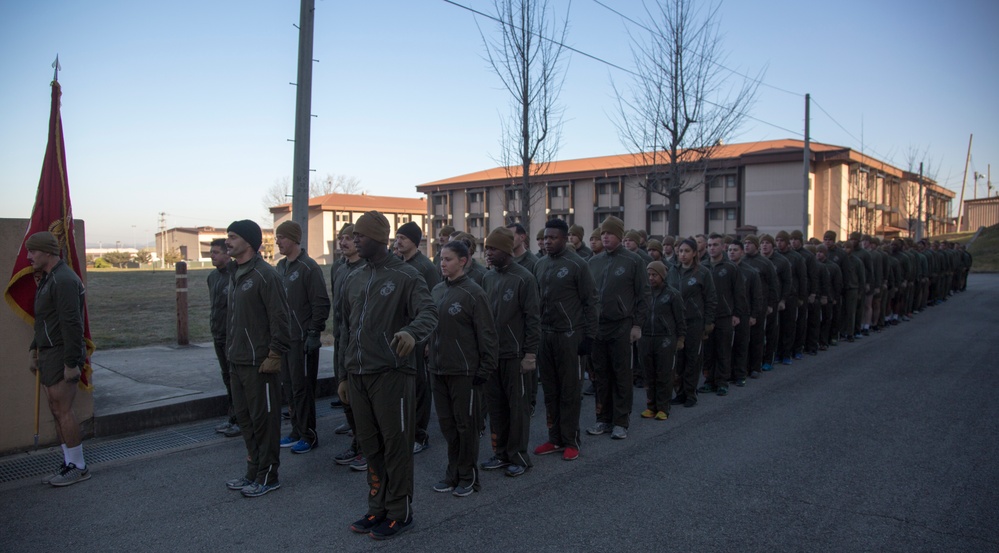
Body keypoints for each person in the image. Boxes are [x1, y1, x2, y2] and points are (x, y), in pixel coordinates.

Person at [341, 211, 437, 540]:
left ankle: (400, 511)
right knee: (371, 446)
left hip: (392, 374)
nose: (355, 241)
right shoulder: (353, 277)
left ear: (378, 239)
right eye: (354, 236)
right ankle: (376, 506)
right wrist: (344, 374)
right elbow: (347, 328)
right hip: (358, 373)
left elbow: (429, 311)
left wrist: (413, 332)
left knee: (395, 445)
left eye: (360, 236)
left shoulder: (407, 275)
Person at [223, 220, 290, 498]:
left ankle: (268, 475)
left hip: (259, 363)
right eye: (228, 236)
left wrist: (275, 354)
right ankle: (253, 470)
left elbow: (280, 319)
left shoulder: (265, 275)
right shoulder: (235, 272)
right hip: (237, 360)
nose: (228, 241)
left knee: (265, 422)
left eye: (233, 236)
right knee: (246, 421)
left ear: (249, 242)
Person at [428, 240, 498, 497]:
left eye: (448, 259)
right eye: (441, 259)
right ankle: (452, 473)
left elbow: (487, 334)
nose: (442, 264)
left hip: (465, 371)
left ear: (463, 261)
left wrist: (485, 368)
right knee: (447, 425)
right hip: (438, 369)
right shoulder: (436, 290)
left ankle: (469, 476)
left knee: (465, 425)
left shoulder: (474, 293)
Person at [27, 232, 90, 487]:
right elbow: (44, 320)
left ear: (48, 252)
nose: (29, 257)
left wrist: (72, 362)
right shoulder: (48, 278)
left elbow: (72, 324)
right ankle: (69, 461)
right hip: (49, 353)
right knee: (55, 408)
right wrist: (35, 349)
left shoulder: (62, 279)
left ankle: (79, 466)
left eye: (33, 251)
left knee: (63, 410)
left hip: (63, 353)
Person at [532, 218, 597, 461]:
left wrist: (589, 336)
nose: (548, 242)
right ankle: (555, 437)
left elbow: (591, 301)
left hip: (570, 335)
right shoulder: (539, 265)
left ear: (565, 238)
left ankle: (571, 440)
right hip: (545, 335)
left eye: (553, 238)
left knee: (570, 390)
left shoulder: (577, 265)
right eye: (545, 238)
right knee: (550, 390)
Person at [480, 227, 541, 478]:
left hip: (516, 356)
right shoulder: (488, 278)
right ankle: (500, 452)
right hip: (494, 355)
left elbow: (533, 319)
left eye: (493, 249)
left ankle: (519, 456)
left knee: (518, 409)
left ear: (505, 250)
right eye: (487, 249)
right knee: (497, 407)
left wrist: (530, 354)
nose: (489, 253)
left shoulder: (524, 278)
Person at [586, 216, 650, 440]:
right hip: (598, 327)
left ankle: (621, 421)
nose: (605, 236)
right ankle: (603, 418)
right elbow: (588, 296)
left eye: (610, 233)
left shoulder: (634, 261)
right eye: (603, 233)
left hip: (622, 325)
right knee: (601, 375)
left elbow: (644, 295)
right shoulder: (593, 262)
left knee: (621, 374)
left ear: (620, 236)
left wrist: (637, 325)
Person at [274, 220, 330, 455]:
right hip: (286, 339)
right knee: (289, 386)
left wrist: (313, 333)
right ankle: (296, 430)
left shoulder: (309, 268)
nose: (278, 242)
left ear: (294, 239)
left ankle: (309, 434)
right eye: (277, 237)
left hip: (303, 340)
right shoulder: (280, 267)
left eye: (282, 237)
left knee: (302, 388)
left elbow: (321, 303)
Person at [395, 221, 440, 455]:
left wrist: (429, 339)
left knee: (421, 386)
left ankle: (420, 434)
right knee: (405, 386)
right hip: (402, 333)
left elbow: (434, 305)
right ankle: (406, 429)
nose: (398, 241)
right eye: (397, 237)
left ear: (415, 241)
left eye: (403, 237)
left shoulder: (426, 267)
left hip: (420, 334)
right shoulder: (398, 264)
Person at [330, 224, 368, 472]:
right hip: (340, 339)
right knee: (344, 394)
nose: (343, 242)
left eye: (348, 238)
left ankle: (366, 448)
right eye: (341, 238)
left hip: (359, 343)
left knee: (360, 400)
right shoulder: (339, 268)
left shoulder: (365, 270)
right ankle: (356, 442)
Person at [668, 238, 717, 408]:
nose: (683, 254)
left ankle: (690, 393)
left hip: (695, 321)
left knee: (693, 358)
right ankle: (679, 392)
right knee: (678, 359)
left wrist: (708, 322)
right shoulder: (672, 271)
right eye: (681, 251)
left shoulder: (702, 273)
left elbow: (711, 298)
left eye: (687, 251)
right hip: (675, 323)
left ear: (695, 253)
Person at [701, 233, 747, 396]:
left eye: (715, 245)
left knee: (723, 349)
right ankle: (709, 381)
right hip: (707, 316)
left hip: (724, 316)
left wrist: (736, 314)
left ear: (723, 247)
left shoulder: (731, 267)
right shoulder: (702, 266)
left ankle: (722, 382)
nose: (712, 248)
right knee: (708, 350)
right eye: (709, 245)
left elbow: (739, 293)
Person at [639, 261, 685, 420]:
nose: (651, 278)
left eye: (654, 275)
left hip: (665, 339)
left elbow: (680, 318)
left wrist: (680, 338)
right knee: (648, 373)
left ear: (662, 276)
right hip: (646, 337)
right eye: (649, 275)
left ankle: (663, 407)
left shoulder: (672, 294)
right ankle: (651, 406)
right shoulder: (643, 293)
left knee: (664, 373)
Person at [208, 238, 240, 438]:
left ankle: (239, 420)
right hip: (218, 334)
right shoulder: (212, 277)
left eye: (216, 252)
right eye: (211, 252)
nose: (212, 255)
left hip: (233, 336)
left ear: (227, 254)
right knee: (226, 378)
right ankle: (232, 417)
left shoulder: (235, 275)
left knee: (236, 379)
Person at [727, 240, 763, 387]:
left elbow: (756, 295)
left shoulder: (750, 272)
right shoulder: (723, 269)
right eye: (729, 250)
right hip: (726, 313)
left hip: (744, 313)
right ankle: (727, 373)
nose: (732, 252)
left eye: (735, 250)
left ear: (742, 252)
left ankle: (740, 374)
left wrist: (754, 315)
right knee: (726, 346)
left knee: (741, 345)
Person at [741, 235, 778, 377]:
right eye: (745, 243)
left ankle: (756, 366)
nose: (747, 245)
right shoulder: (741, 261)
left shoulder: (765, 263)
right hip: (744, 305)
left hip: (760, 305)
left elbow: (774, 286)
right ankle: (742, 367)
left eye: (750, 243)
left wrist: (771, 304)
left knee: (757, 336)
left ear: (756, 246)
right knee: (743, 338)